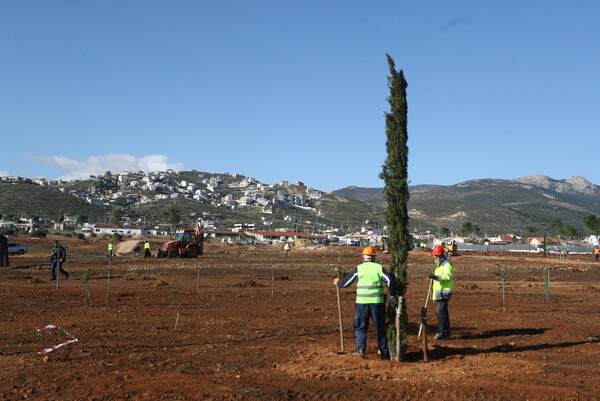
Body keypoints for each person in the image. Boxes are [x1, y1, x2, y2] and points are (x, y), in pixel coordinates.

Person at [334, 246, 396, 359]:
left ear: (363, 257)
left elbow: (346, 283)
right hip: (378, 303)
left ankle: (361, 349)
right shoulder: (379, 268)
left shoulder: (359, 269)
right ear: (374, 257)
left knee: (360, 326)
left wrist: (337, 282)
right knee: (380, 328)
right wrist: (392, 296)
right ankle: (384, 353)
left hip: (362, 303)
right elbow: (389, 280)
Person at [428, 245, 454, 340]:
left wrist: (436, 277)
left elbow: (448, 277)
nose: (433, 257)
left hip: (444, 292)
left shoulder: (446, 265)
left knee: (441, 313)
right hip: (440, 293)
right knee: (441, 312)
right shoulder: (439, 264)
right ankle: (445, 332)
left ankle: (443, 333)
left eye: (434, 255)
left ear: (437, 255)